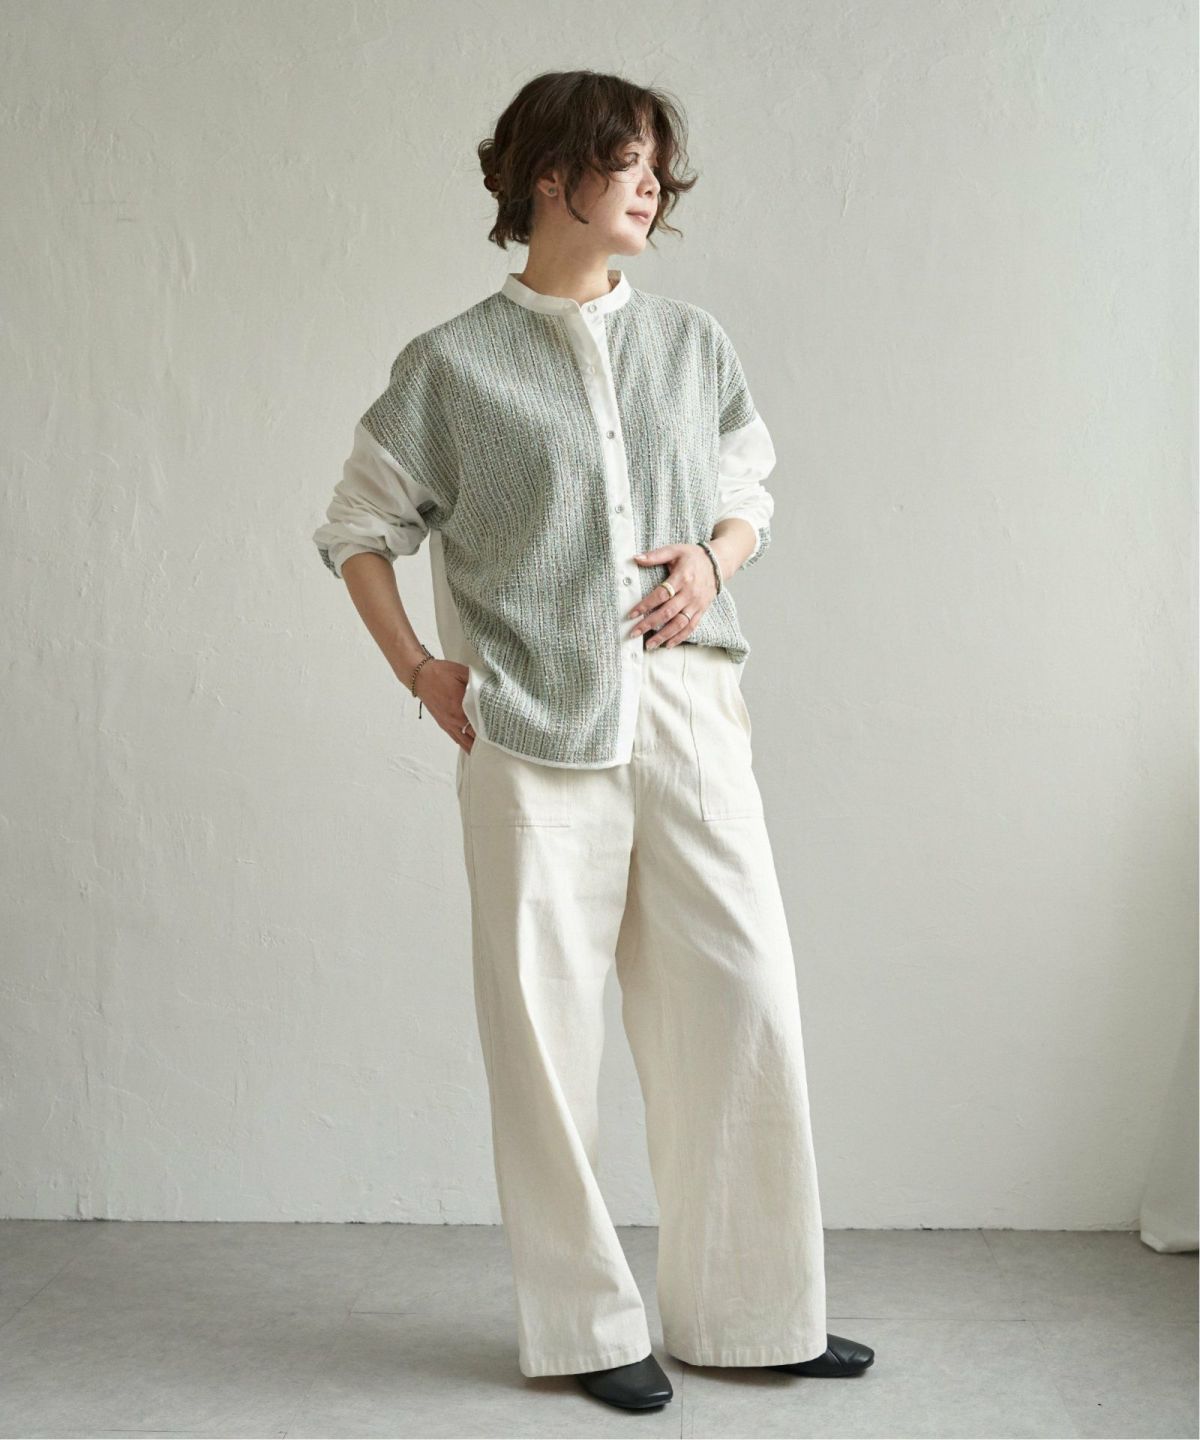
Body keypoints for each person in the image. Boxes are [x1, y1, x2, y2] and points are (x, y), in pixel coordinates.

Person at [311, 69, 874, 1413]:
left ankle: (755, 1316)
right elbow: (356, 529)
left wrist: (714, 563)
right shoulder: (451, 366)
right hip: (530, 732)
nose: (652, 183)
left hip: (687, 714)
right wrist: (420, 672)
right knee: (544, 1034)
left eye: (659, 163)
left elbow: (748, 491)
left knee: (742, 1001)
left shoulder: (691, 343)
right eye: (628, 158)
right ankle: (582, 1328)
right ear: (552, 176)